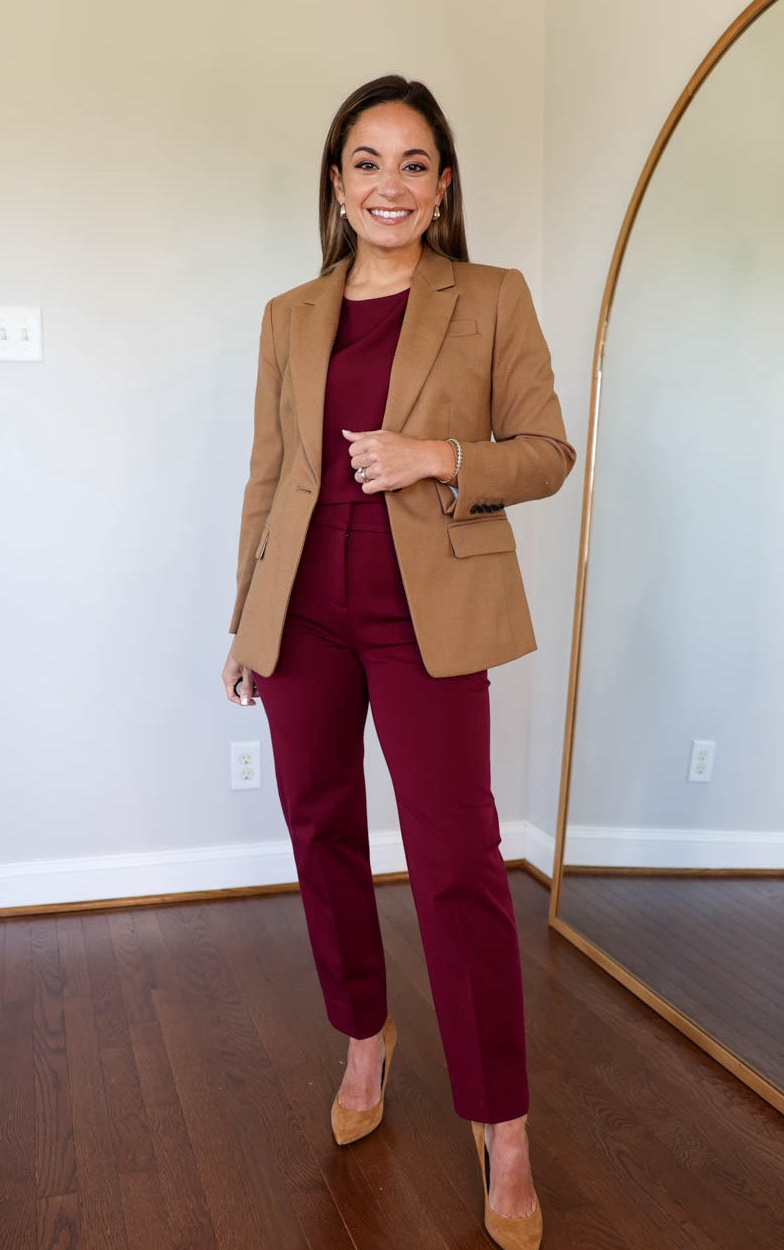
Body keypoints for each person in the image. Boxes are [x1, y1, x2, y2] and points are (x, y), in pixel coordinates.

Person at [222, 75, 574, 1250]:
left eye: (413, 162)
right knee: (319, 832)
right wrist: (245, 621)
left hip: (430, 622)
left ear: (443, 184)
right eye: (366, 162)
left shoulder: (491, 298)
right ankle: (363, 1042)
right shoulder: (287, 313)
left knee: (457, 862)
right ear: (336, 183)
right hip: (305, 615)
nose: (390, 184)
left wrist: (434, 452)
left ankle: (502, 1120)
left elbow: (546, 451)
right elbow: (268, 476)